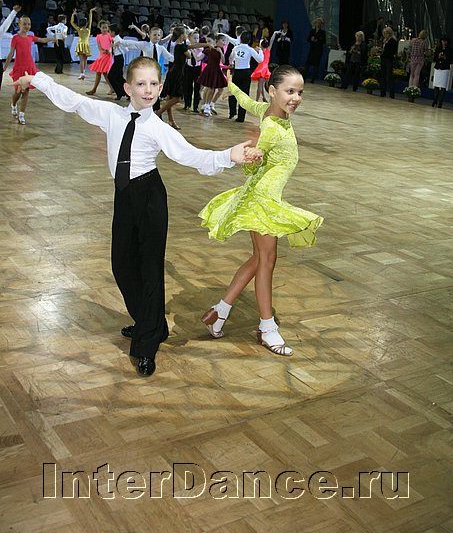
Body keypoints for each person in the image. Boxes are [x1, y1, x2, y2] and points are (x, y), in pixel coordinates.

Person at [14, 57, 258, 376]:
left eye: (153, 84)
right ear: (127, 88)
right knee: (122, 264)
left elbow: (190, 155)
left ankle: (146, 343)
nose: (148, 90)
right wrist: (37, 79)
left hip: (149, 197)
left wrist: (228, 156)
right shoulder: (112, 114)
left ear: (160, 86)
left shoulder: (157, 128)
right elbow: (73, 101)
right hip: (125, 197)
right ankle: (150, 322)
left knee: (149, 268)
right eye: (141, 84)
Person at [199, 65, 323, 355]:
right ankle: (267, 328)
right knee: (267, 260)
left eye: (300, 92)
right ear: (273, 91)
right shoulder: (271, 127)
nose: (296, 98)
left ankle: (220, 312)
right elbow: (260, 150)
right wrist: (255, 153)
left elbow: (245, 101)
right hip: (263, 201)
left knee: (259, 259)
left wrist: (231, 85)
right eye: (290, 91)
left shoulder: (266, 110)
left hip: (262, 197)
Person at [3, 15, 55, 124]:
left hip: (29, 67)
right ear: (19, 25)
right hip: (19, 68)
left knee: (26, 91)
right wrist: (5, 67)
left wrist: (53, 39)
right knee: (18, 91)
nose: (27, 26)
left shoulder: (30, 37)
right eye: (24, 24)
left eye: (29, 24)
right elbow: (11, 53)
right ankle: (13, 104)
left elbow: (42, 39)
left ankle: (22, 114)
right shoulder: (15, 38)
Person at [155, 26, 206, 129]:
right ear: (182, 36)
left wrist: (207, 45)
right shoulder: (181, 46)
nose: (186, 35)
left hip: (173, 72)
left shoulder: (179, 45)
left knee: (170, 98)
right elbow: (189, 56)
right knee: (177, 98)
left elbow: (194, 45)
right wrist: (191, 49)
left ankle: (171, 121)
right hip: (177, 73)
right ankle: (158, 113)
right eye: (185, 34)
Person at [229, 31, 264, 122]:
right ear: (249, 40)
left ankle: (232, 112)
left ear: (240, 39)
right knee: (244, 95)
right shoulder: (250, 49)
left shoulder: (236, 48)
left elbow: (230, 58)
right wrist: (260, 51)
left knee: (233, 92)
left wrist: (232, 63)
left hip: (236, 72)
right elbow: (260, 60)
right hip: (245, 73)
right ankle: (241, 117)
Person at [197, 33, 227, 117]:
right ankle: (206, 106)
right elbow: (198, 58)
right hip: (209, 70)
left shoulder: (220, 49)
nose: (224, 42)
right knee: (210, 88)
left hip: (216, 70)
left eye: (209, 41)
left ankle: (208, 105)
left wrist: (220, 52)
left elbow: (223, 61)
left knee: (213, 89)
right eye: (222, 40)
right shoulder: (208, 49)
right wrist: (192, 51)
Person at [86, 20, 114, 95]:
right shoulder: (98, 37)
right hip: (102, 55)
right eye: (103, 28)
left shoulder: (109, 36)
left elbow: (112, 45)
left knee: (102, 73)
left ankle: (95, 89)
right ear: (100, 28)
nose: (104, 29)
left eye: (106, 28)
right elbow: (99, 47)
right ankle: (111, 88)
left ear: (108, 28)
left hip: (108, 56)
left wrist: (109, 51)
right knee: (102, 73)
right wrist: (103, 51)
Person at [183, 29, 204, 112]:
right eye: (194, 38)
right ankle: (187, 104)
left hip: (197, 69)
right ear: (190, 38)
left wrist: (193, 49)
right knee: (188, 87)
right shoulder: (187, 46)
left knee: (197, 88)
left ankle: (195, 106)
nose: (196, 40)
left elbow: (198, 57)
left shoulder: (200, 48)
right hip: (188, 68)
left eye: (197, 38)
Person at [71, 7, 95, 79]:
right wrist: (90, 12)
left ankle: (81, 73)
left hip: (81, 44)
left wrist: (73, 15)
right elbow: (91, 21)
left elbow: (72, 23)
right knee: (85, 60)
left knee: (81, 60)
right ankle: (83, 72)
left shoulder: (79, 29)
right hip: (86, 44)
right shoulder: (88, 29)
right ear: (86, 23)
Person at [304, 17, 326, 82]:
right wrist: (311, 39)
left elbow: (324, 41)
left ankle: (313, 79)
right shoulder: (312, 31)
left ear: (321, 24)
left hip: (318, 50)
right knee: (307, 64)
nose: (318, 24)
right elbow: (308, 39)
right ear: (315, 23)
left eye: (319, 23)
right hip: (312, 49)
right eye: (317, 23)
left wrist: (317, 40)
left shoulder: (322, 32)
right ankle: (304, 77)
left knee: (316, 65)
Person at [432, 36, 451, 109]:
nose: (444, 42)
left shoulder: (450, 50)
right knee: (436, 85)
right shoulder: (438, 48)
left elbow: (451, 60)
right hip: (438, 68)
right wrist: (438, 57)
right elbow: (434, 59)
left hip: (445, 69)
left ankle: (440, 102)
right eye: (443, 41)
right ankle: (435, 100)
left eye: (445, 41)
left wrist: (445, 58)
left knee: (443, 86)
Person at [379, 26, 398, 98]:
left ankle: (391, 93)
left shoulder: (393, 41)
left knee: (389, 76)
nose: (384, 35)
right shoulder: (384, 41)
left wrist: (383, 52)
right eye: (384, 33)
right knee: (383, 76)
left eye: (385, 33)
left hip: (389, 60)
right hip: (383, 59)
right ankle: (382, 92)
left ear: (389, 33)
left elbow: (392, 52)